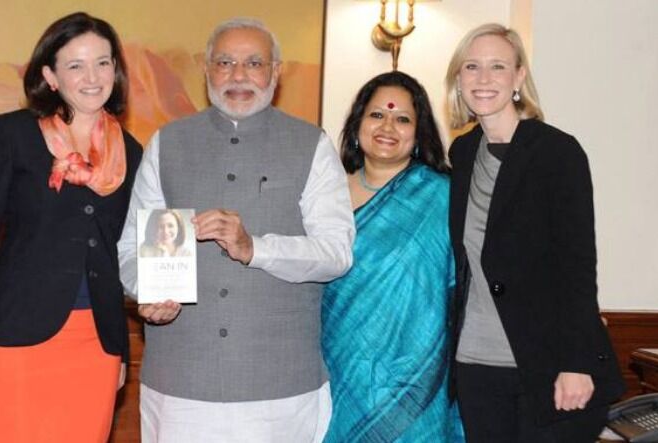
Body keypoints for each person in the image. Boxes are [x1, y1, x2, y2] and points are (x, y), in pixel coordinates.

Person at [117, 17, 355, 443]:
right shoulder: (166, 143)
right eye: (225, 62)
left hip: (281, 390)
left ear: (276, 72)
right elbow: (132, 249)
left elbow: (336, 252)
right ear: (206, 70)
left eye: (254, 63)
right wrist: (148, 293)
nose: (238, 75)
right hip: (179, 385)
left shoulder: (312, 145)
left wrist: (254, 248)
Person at [0, 12, 142, 442]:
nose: (92, 77)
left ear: (115, 70)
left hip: (97, 343)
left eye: (103, 63)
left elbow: (122, 251)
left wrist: (121, 350)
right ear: (50, 76)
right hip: (14, 338)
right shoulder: (12, 134)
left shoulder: (131, 152)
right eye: (76, 65)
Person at [445, 23, 624, 442]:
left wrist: (577, 361)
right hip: (475, 365)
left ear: (519, 77)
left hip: (549, 365)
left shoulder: (557, 152)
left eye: (497, 66)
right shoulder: (463, 152)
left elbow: (577, 265)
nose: (483, 78)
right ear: (458, 79)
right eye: (472, 66)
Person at [321, 71, 464, 442]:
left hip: (415, 376)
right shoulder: (324, 193)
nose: (388, 127)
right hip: (336, 367)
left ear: (418, 135)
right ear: (357, 125)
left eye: (402, 119)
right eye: (377, 115)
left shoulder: (442, 197)